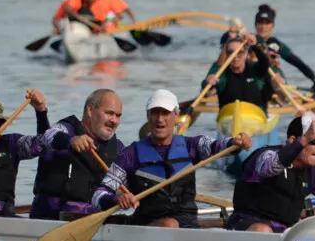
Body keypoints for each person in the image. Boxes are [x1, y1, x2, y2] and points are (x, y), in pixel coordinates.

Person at [91, 89, 253, 228]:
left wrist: (236, 142)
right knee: (170, 224)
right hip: (147, 226)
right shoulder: (130, 155)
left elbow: (219, 146)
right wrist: (116, 198)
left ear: (176, 115)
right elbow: (98, 196)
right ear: (148, 116)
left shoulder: (192, 146)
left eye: (165, 113)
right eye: (155, 112)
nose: (159, 119)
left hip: (188, 225)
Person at [30, 89, 125, 220]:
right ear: (90, 110)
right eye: (109, 113)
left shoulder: (118, 148)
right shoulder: (66, 129)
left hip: (92, 220)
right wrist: (71, 140)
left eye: (118, 116)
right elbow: (46, 137)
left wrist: (120, 197)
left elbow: (121, 186)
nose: (114, 120)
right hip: (52, 217)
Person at [219, 5, 315, 94]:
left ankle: (280, 95)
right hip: (252, 78)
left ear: (272, 26)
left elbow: (297, 63)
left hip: (272, 79)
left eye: (267, 23)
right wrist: (230, 34)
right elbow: (225, 43)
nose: (263, 27)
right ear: (255, 25)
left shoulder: (276, 44)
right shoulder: (246, 40)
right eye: (260, 23)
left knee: (275, 74)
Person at [202, 33, 271, 111]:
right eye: (231, 52)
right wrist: (208, 82)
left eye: (240, 52)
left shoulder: (254, 69)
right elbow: (206, 87)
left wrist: (255, 46)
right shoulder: (222, 75)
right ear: (227, 55)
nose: (235, 56)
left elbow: (265, 63)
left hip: (255, 117)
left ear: (245, 53)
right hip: (228, 118)